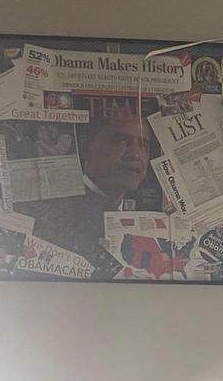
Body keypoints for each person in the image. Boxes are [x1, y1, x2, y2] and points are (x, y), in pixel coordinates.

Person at [22, 111, 153, 266]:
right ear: (86, 148)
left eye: (143, 145)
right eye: (121, 141)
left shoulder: (150, 222)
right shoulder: (49, 211)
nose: (136, 154)